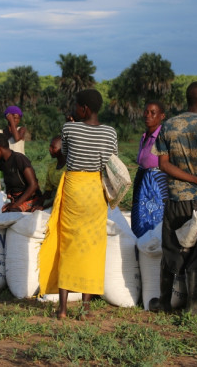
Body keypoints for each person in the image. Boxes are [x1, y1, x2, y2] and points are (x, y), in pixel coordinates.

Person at [38, 89, 118, 319]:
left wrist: (70, 125)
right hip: (95, 189)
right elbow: (111, 160)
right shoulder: (110, 132)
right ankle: (85, 308)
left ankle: (62, 309)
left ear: (84, 108)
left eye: (76, 106)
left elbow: (64, 152)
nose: (74, 110)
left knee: (68, 243)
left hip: (74, 187)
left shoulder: (69, 128)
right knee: (92, 245)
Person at [149, 81, 197, 314]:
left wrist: (191, 181)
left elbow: (163, 165)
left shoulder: (168, 126)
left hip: (175, 200)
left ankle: (163, 303)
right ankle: (191, 306)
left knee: (172, 250)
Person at [131, 101, 169, 238]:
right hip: (141, 184)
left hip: (156, 187)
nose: (148, 115)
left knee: (154, 224)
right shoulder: (144, 137)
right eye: (146, 112)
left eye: (153, 113)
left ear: (162, 116)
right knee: (139, 222)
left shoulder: (164, 137)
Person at [0, 133, 44, 213]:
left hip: (30, 199)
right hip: (15, 199)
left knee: (10, 214)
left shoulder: (19, 159)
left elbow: (33, 185)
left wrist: (15, 205)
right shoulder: (2, 162)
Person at [40, 136, 66, 207]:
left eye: (53, 147)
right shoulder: (52, 166)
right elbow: (48, 190)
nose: (49, 149)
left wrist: (44, 206)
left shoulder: (68, 167)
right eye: (50, 146)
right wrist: (39, 203)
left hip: (64, 200)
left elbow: (65, 193)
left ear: (62, 149)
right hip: (53, 198)